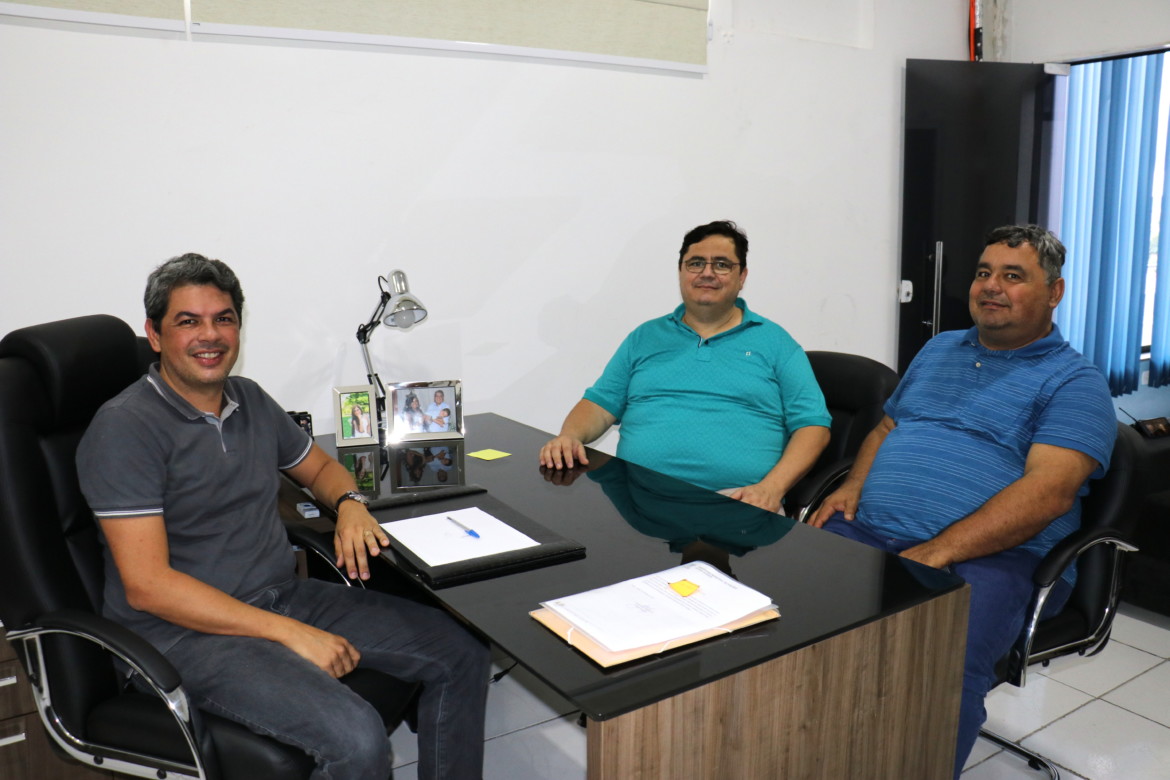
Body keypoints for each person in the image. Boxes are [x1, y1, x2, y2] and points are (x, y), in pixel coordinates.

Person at [77, 253, 490, 780]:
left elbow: (320, 469)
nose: (210, 335)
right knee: (357, 738)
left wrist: (350, 505)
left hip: (279, 596)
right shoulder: (124, 428)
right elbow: (148, 586)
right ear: (155, 335)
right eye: (188, 321)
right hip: (181, 636)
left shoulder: (248, 399)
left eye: (223, 319)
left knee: (461, 650)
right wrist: (288, 633)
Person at [809, 224, 1117, 778]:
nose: (991, 286)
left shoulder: (1075, 382)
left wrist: (940, 550)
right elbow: (886, 427)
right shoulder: (938, 348)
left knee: (937, 668)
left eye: (1013, 276)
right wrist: (853, 484)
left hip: (998, 557)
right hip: (869, 529)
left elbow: (1048, 493)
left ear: (1055, 292)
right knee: (795, 625)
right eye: (983, 273)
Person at [540, 220, 831, 514]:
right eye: (696, 263)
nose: (707, 273)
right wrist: (570, 436)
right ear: (681, 271)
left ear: (742, 276)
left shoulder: (776, 343)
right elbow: (600, 405)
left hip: (739, 505)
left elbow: (813, 426)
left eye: (721, 265)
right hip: (642, 503)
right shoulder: (644, 338)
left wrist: (772, 489)